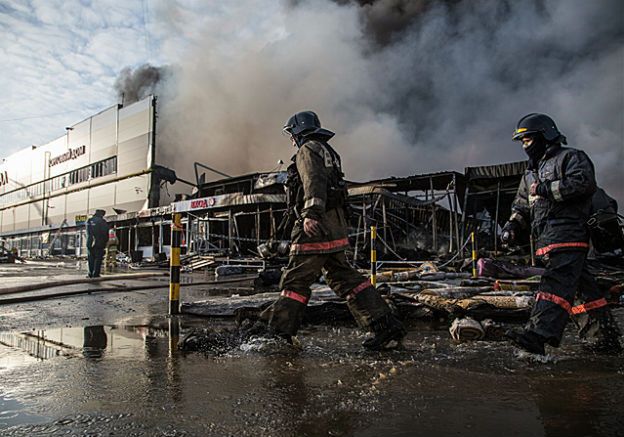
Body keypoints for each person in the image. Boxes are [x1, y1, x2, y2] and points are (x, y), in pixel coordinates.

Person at [260, 110, 406, 350]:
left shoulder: (307, 150)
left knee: (295, 281)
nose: (291, 140)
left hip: (316, 226)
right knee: (345, 278)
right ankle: (385, 326)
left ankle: (278, 334)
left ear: (298, 131)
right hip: (335, 227)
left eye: (291, 134)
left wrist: (310, 215)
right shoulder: (329, 151)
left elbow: (313, 182)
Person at [501, 113, 621, 355]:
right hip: (546, 238)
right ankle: (603, 339)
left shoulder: (570, 157)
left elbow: (584, 183)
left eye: (528, 140)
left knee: (555, 283)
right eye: (522, 142)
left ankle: (538, 334)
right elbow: (521, 206)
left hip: (569, 234)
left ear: (545, 136)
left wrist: (547, 189)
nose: (525, 147)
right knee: (582, 290)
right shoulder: (529, 174)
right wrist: (512, 226)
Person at [86, 209, 109, 278]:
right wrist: (105, 242)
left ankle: (90, 273)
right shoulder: (102, 221)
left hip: (90, 243)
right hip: (99, 243)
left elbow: (88, 232)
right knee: (98, 259)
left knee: (91, 259)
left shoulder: (89, 221)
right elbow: (105, 233)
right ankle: (95, 274)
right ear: (102, 214)